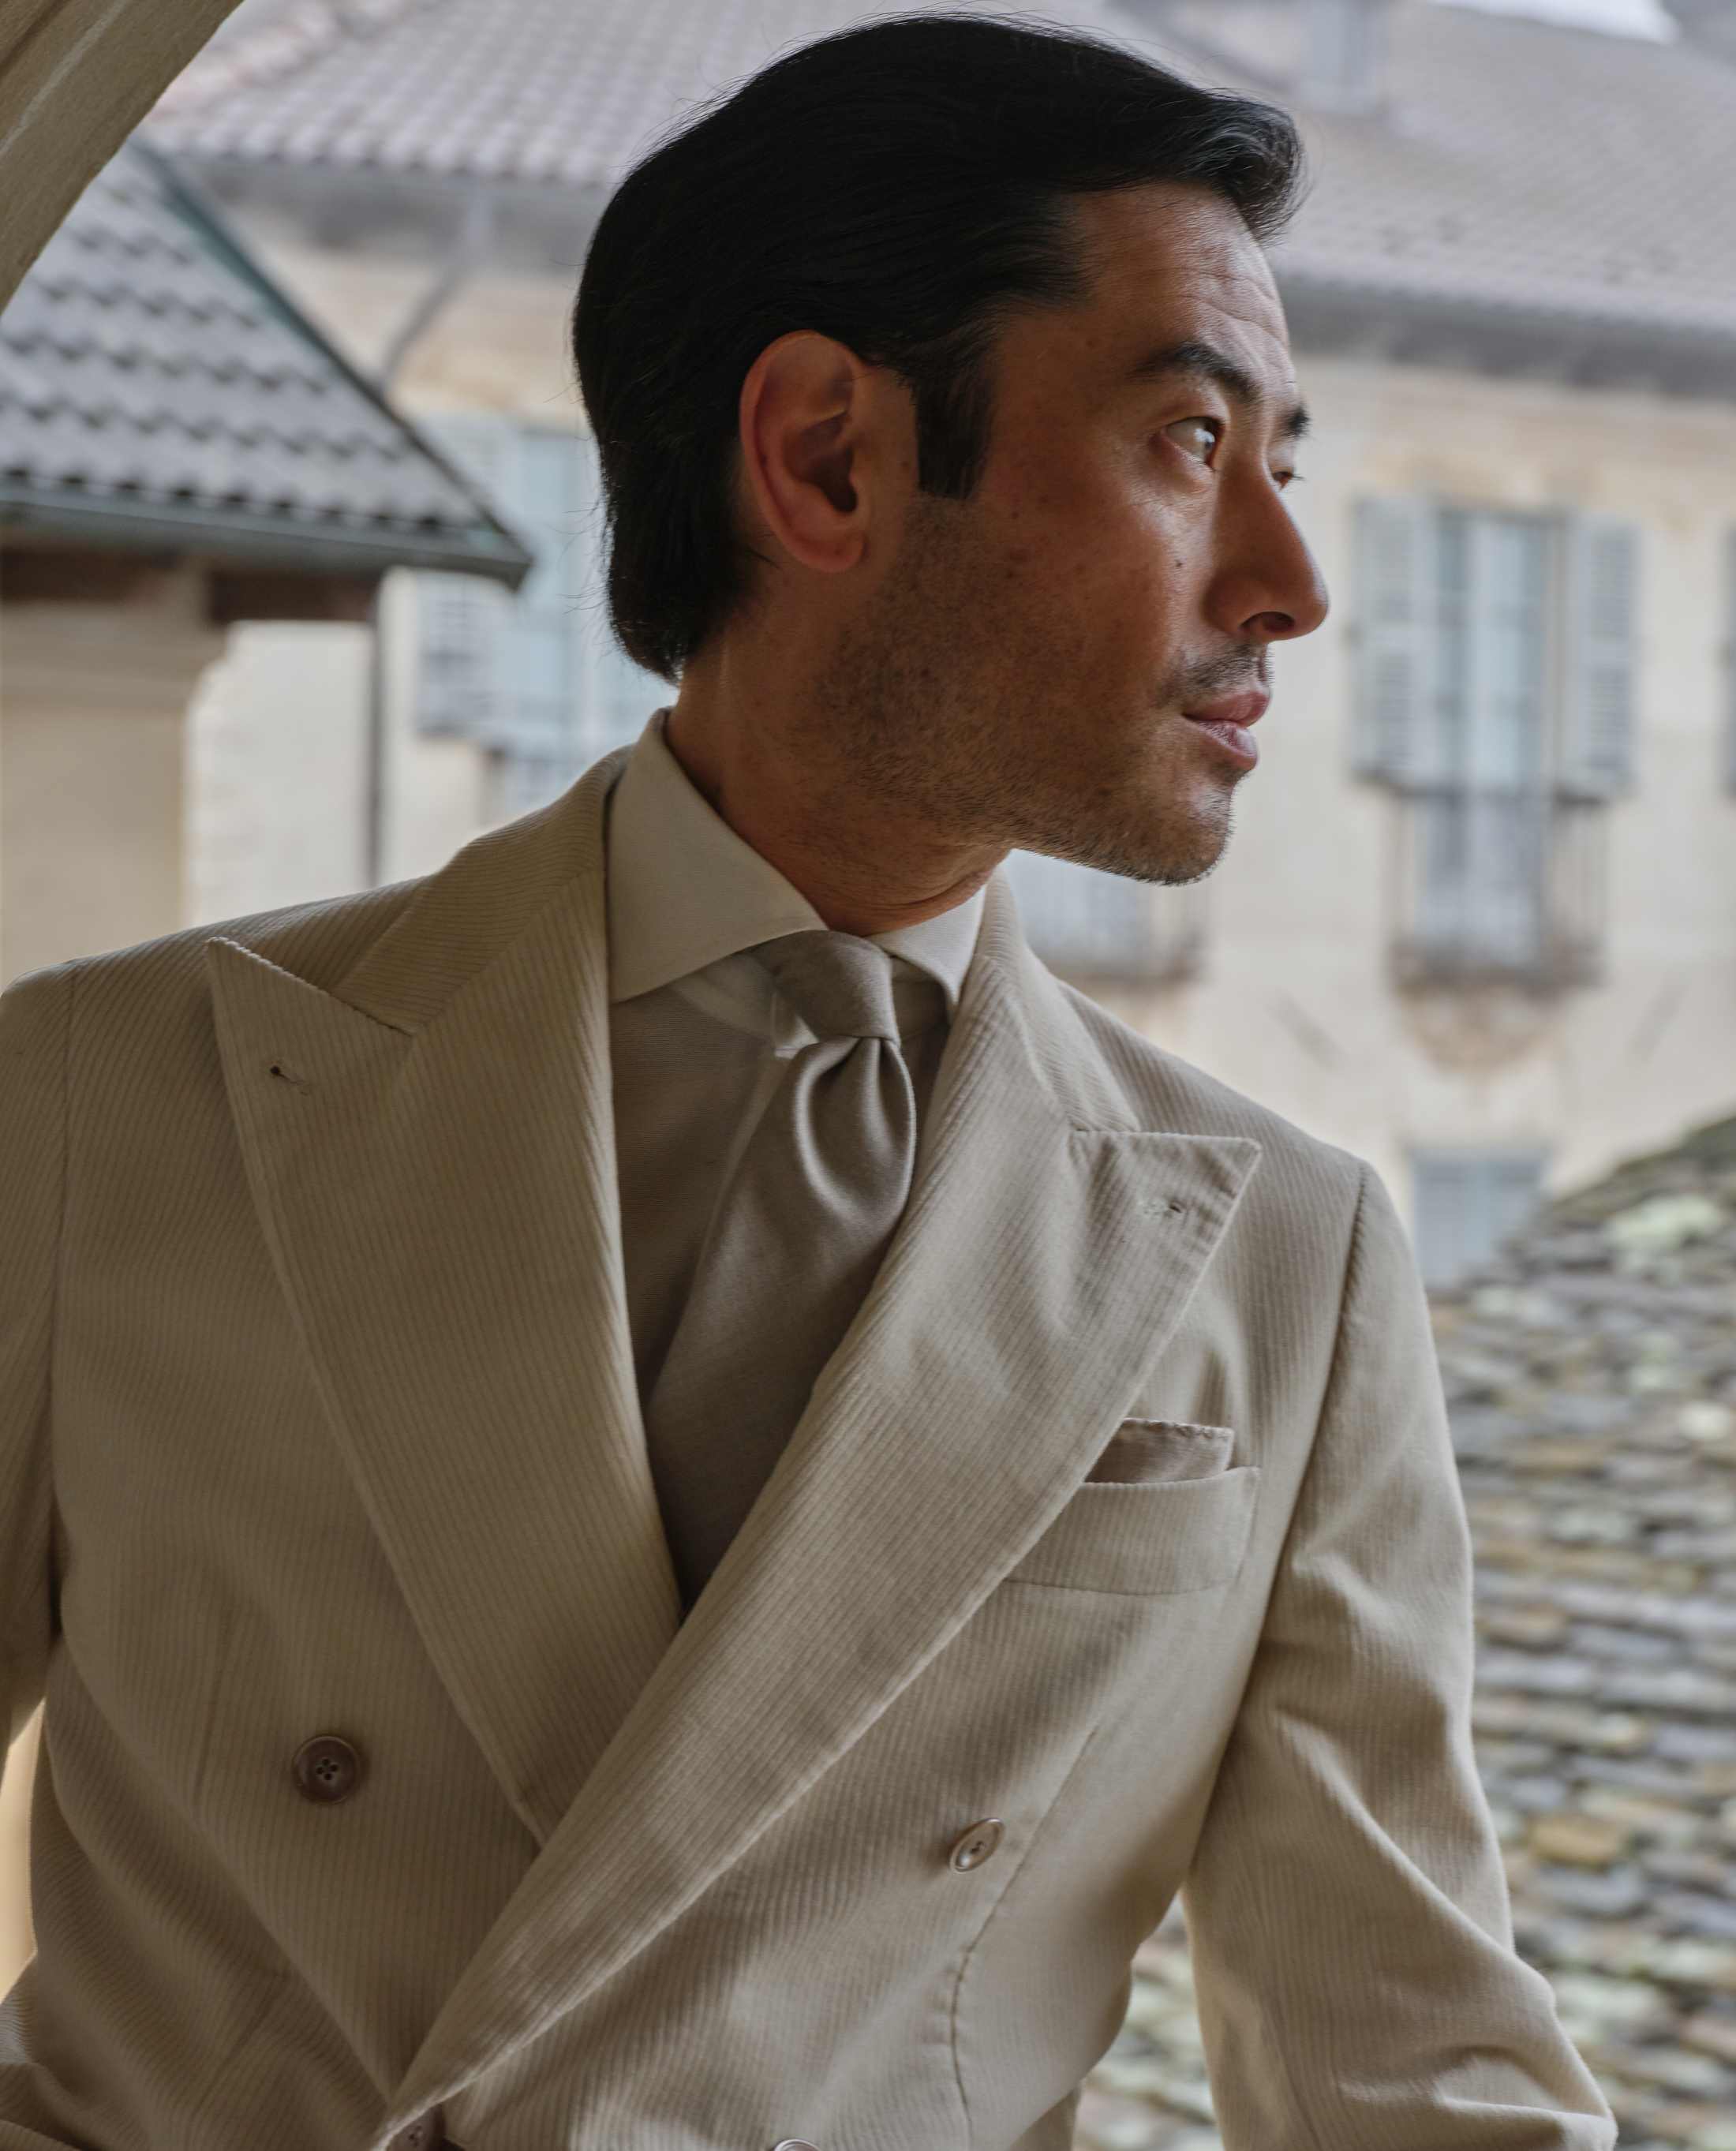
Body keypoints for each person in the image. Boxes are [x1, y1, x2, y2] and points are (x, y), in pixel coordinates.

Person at [0, 16, 1612, 2150]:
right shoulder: (108, 1099)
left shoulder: (1288, 1264)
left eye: (1280, 471)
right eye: (1190, 444)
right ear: (830, 457)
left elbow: (1406, 2075)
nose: (1292, 590)